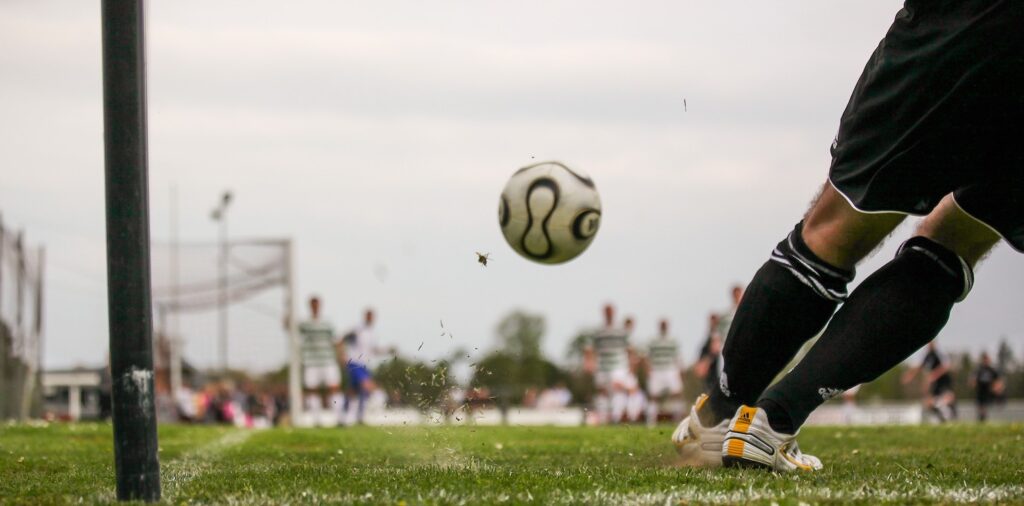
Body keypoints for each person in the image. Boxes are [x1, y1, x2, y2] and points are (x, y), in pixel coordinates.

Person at [674, 0, 1022, 471]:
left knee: (834, 229)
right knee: (959, 238)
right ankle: (771, 423)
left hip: (965, 19)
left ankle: (721, 418)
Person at [583, 304, 636, 424]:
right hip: (602, 366)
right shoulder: (598, 331)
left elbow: (630, 348)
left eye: (610, 311)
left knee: (617, 388)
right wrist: (589, 361)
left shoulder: (621, 331)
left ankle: (615, 417)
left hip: (618, 365)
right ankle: (603, 418)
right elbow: (590, 348)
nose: (609, 314)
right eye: (607, 312)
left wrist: (631, 366)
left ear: (614, 313)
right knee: (602, 391)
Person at [299, 296, 344, 426]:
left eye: (317, 304)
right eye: (313, 304)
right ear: (310, 306)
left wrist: (341, 354)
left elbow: (336, 340)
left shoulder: (327, 323)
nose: (315, 307)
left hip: (328, 361)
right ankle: (316, 420)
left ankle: (339, 418)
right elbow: (291, 330)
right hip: (311, 362)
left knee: (334, 388)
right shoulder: (304, 324)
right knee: (312, 390)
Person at [341, 308, 381, 425]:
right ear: (365, 316)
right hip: (354, 362)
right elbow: (342, 339)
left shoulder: (373, 333)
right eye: (368, 315)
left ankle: (344, 415)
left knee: (353, 391)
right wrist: (342, 354)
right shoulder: (357, 329)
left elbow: (373, 350)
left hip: (364, 364)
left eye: (371, 316)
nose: (370, 318)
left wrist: (387, 350)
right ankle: (360, 416)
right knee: (367, 385)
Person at [901, 340, 957, 423]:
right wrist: (910, 375)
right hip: (935, 384)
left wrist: (934, 375)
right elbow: (919, 366)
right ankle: (943, 419)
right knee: (928, 403)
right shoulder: (927, 355)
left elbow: (946, 366)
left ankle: (951, 416)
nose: (929, 345)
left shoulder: (939, 353)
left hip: (944, 381)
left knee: (948, 398)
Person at [645, 319, 685, 426]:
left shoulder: (673, 341)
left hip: (670, 369)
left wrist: (680, 370)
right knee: (654, 396)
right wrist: (648, 370)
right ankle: (651, 422)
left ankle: (678, 420)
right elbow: (648, 357)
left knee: (677, 394)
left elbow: (678, 357)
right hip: (657, 370)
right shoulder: (653, 341)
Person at [970, 352, 1004, 422]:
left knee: (987, 406)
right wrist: (973, 383)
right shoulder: (979, 369)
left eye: (987, 359)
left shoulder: (992, 370)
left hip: (990, 391)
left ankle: (999, 403)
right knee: (981, 408)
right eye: (985, 359)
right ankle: (982, 419)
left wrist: (997, 388)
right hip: (981, 391)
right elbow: (973, 380)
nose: (986, 361)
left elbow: (999, 380)